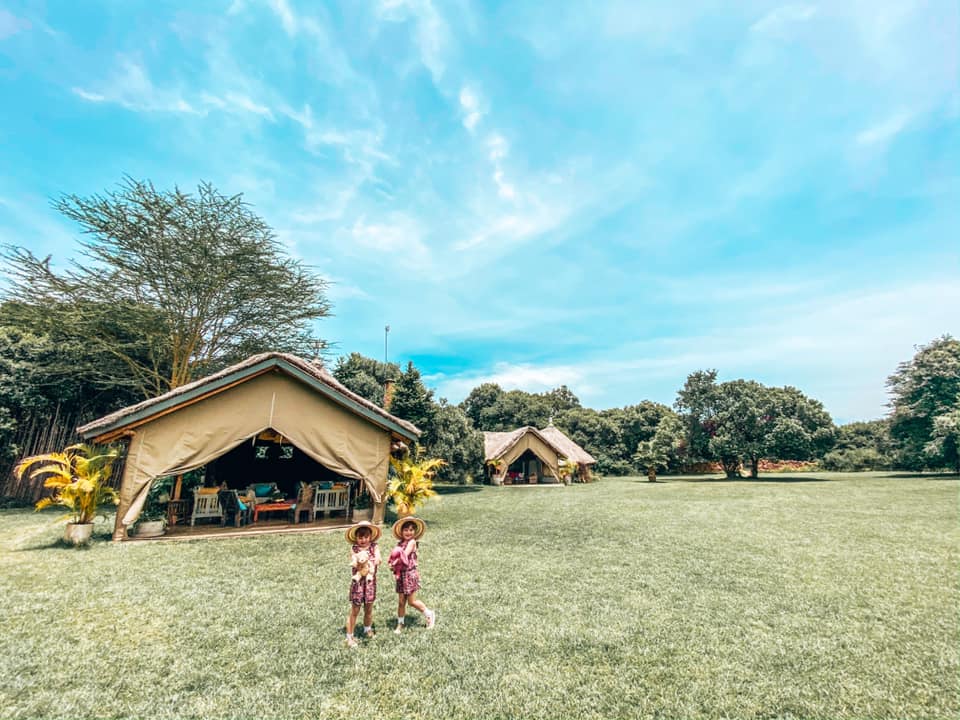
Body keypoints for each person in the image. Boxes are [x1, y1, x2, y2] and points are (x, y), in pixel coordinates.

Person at [388, 516, 436, 634]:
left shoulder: (412, 542)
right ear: (401, 531)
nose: (408, 532)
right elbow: (395, 555)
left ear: (414, 532)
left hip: (410, 574)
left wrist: (394, 562)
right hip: (401, 575)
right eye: (405, 530)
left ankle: (429, 614)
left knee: (411, 601)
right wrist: (392, 565)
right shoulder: (399, 543)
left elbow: (404, 555)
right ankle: (400, 623)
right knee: (401, 602)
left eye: (411, 530)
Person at [344, 520, 382, 648]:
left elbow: (378, 558)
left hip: (370, 583)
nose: (363, 540)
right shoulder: (354, 549)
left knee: (369, 609)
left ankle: (367, 629)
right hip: (358, 583)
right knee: (355, 610)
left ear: (370, 537)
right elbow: (355, 561)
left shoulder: (374, 547)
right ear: (356, 538)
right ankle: (349, 636)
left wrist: (376, 559)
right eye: (360, 537)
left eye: (366, 537)